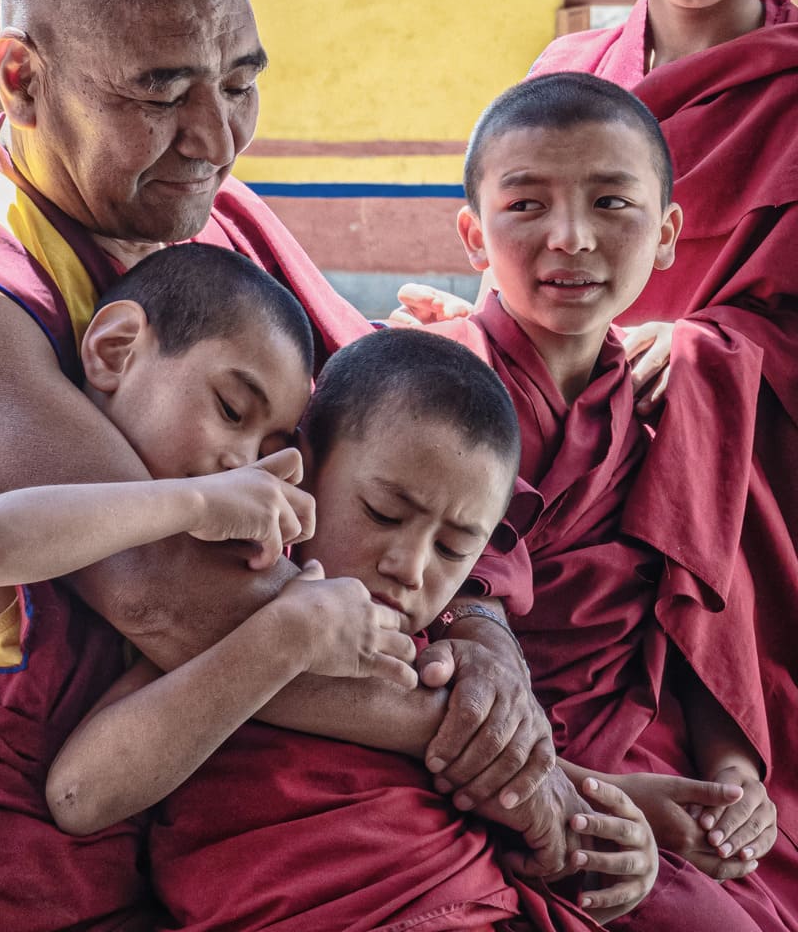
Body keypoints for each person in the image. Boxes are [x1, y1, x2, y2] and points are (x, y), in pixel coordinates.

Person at [0, 0, 562, 849]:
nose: (217, 143)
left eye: (241, 84)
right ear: (19, 78)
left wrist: (484, 635)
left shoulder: (225, 221)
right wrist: (523, 766)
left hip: (300, 767)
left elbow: (396, 437)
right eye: (163, 93)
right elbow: (164, 597)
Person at [394, 0, 798, 920]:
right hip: (567, 457)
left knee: (731, 809)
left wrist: (709, 349)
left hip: (741, 499)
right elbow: (513, 243)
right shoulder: (571, 70)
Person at [45, 326, 660, 931]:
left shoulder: (438, 663)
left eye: (451, 549)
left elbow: (526, 819)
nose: (410, 567)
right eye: (383, 513)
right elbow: (80, 796)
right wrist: (286, 639)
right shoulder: (232, 611)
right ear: (302, 473)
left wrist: (608, 850)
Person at [426, 71, 790, 931]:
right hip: (467, 765)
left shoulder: (668, 404)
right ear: (475, 237)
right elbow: (414, 640)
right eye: (526, 206)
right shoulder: (433, 392)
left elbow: (696, 605)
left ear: (667, 236)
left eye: (611, 204)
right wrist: (609, 800)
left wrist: (735, 780)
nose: (571, 238)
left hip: (634, 748)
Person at [0, 243, 418, 931]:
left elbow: (88, 794)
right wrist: (193, 503)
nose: (241, 463)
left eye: (266, 449)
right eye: (230, 409)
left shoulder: (209, 586)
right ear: (113, 350)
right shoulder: (51, 486)